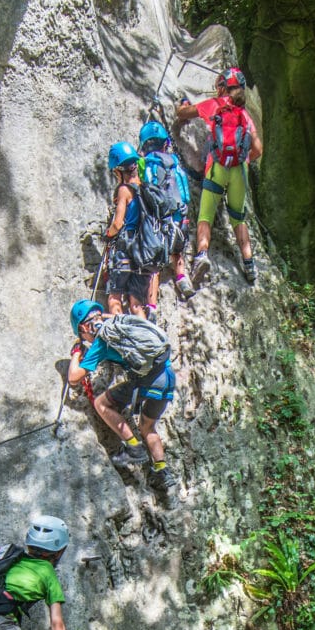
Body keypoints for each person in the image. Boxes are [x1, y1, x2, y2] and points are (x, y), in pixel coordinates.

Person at [67, 299, 178, 494]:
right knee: (147, 426)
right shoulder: (121, 322)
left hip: (148, 381)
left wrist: (77, 352)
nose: (86, 340)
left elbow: (74, 378)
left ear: (85, 327)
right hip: (167, 376)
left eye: (83, 335)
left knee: (102, 403)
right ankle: (162, 471)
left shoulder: (102, 340)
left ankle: (133, 448)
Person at [175, 68, 263, 288]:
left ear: (222, 86)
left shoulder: (216, 105)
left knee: (205, 214)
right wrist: (242, 160)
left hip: (217, 167)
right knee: (238, 218)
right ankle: (249, 265)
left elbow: (183, 114)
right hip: (238, 172)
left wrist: (182, 104)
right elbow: (258, 149)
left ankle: (201, 256)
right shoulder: (244, 115)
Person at [138, 119, 195, 314]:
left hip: (158, 219)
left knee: (154, 264)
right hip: (179, 215)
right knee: (178, 250)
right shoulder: (175, 164)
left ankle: (151, 306)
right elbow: (184, 192)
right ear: (165, 144)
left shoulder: (146, 164)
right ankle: (182, 279)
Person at [104, 141, 150, 318]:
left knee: (115, 298)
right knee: (136, 304)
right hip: (144, 253)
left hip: (125, 251)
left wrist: (107, 235)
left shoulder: (124, 190)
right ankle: (146, 342)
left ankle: (122, 341)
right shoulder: (145, 188)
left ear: (118, 170)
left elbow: (117, 224)